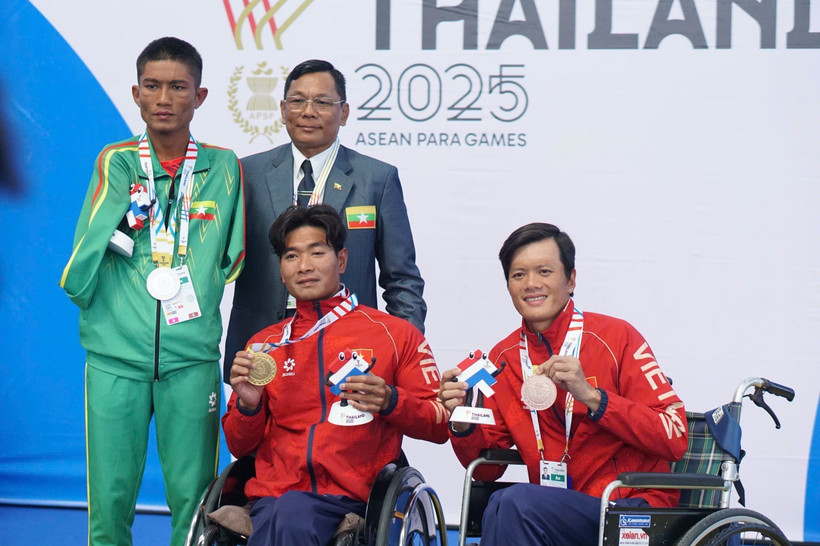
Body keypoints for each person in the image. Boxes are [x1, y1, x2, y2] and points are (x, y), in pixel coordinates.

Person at [59, 37, 244, 546]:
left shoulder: (223, 167)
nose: (164, 97)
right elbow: (80, 265)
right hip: (116, 356)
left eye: (177, 87)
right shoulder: (116, 162)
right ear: (136, 95)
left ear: (200, 96)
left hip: (191, 359)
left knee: (197, 499)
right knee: (111, 500)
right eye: (153, 86)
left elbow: (235, 260)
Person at [438, 222, 688, 546]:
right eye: (518, 275)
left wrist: (594, 398)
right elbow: (487, 470)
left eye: (544, 271)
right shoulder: (503, 358)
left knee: (513, 503)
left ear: (571, 280)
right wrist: (460, 421)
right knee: (499, 503)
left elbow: (675, 434)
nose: (531, 284)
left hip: (630, 507)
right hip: (553, 511)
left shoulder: (617, 337)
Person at [222, 204, 447, 545]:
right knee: (287, 511)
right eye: (292, 256)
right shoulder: (264, 345)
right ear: (281, 271)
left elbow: (440, 423)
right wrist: (249, 407)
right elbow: (239, 446)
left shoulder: (395, 334)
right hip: (273, 498)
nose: (305, 266)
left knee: (292, 514)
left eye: (317, 252)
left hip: (353, 499)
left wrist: (391, 401)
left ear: (341, 260)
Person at [224, 58, 426, 380]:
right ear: (282, 108)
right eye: (298, 101)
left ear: (343, 112)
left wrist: (404, 351)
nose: (308, 111)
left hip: (351, 352)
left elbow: (402, 279)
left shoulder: (377, 179)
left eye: (322, 102)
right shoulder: (244, 173)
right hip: (263, 348)